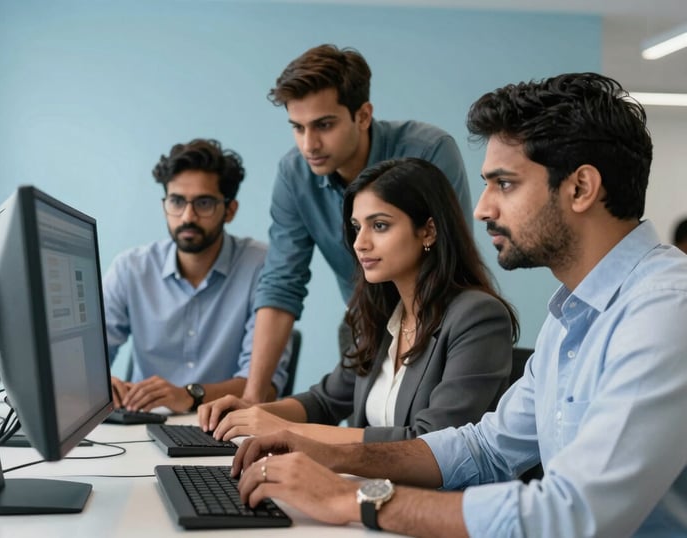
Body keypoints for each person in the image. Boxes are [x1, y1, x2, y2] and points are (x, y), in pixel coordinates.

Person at [231, 73, 687, 537]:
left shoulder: (664, 312)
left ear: (580, 188)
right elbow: (485, 448)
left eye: (504, 184)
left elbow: (571, 514)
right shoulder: (570, 317)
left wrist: (350, 498)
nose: (481, 208)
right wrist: (326, 451)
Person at [200, 158, 518, 444]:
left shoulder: (478, 317)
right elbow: (325, 402)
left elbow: (430, 442)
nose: (360, 243)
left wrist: (285, 431)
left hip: (436, 505)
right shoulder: (380, 315)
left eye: (379, 226)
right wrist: (252, 412)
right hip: (367, 491)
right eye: (356, 227)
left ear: (429, 231)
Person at [233, 43, 473, 404]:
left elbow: (449, 258)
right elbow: (282, 284)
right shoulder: (294, 174)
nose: (308, 144)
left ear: (362, 115)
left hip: (436, 321)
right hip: (365, 323)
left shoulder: (429, 151)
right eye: (297, 128)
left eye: (323, 125)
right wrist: (252, 402)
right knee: (354, 434)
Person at [102, 138, 291, 413]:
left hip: (225, 428)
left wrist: (190, 395)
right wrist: (97, 383)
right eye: (176, 201)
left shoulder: (262, 266)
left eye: (203, 203)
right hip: (139, 427)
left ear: (230, 210)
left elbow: (265, 388)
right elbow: (84, 364)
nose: (187, 216)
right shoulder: (131, 268)